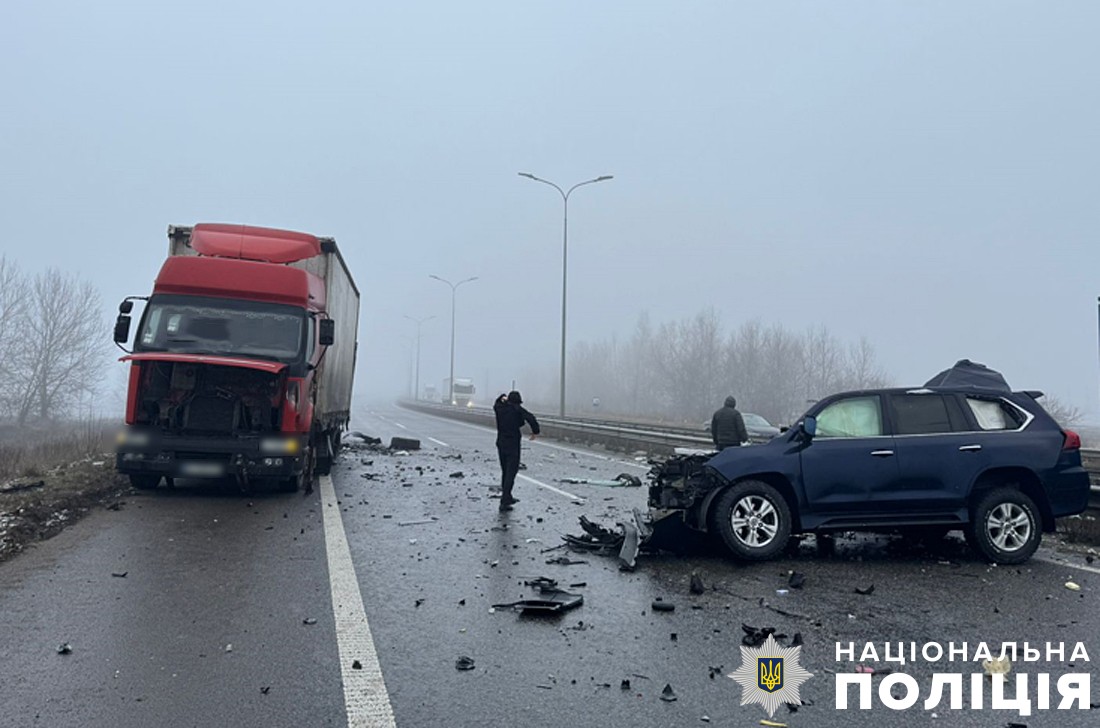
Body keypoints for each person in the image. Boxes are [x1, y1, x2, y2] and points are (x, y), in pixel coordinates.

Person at [493, 390, 540, 511]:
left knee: (505, 471)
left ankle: (507, 497)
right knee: (511, 473)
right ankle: (505, 501)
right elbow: (531, 418)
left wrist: (502, 397)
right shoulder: (517, 410)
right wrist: (535, 431)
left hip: (501, 443)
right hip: (513, 445)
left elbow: (496, 403)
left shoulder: (500, 409)